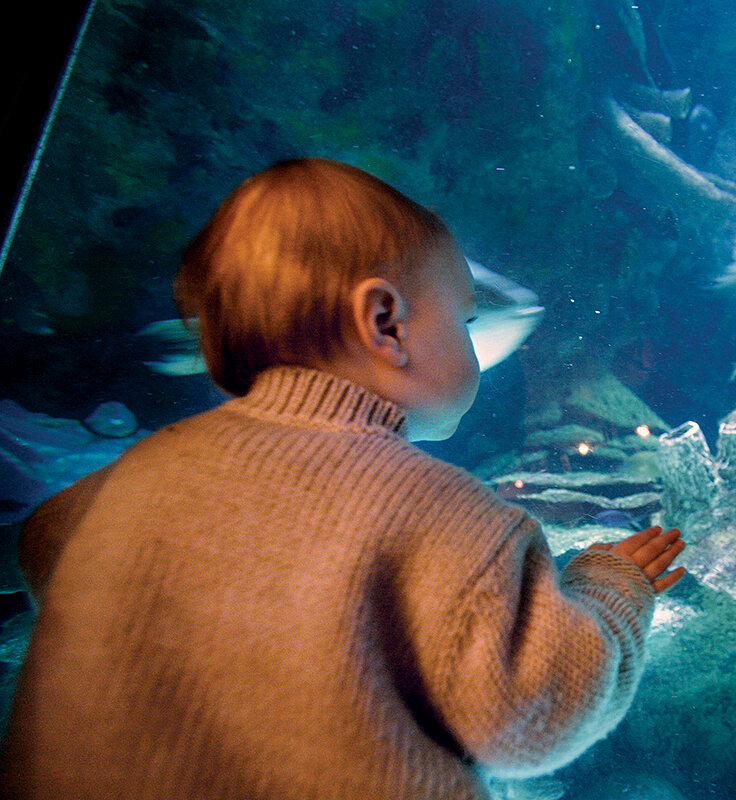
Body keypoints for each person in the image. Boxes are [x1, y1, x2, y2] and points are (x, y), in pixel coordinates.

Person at [0, 158, 686, 798]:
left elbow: (43, 538)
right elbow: (534, 712)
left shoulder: (120, 487)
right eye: (466, 317)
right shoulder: (449, 515)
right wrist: (609, 589)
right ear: (385, 324)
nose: (475, 340)